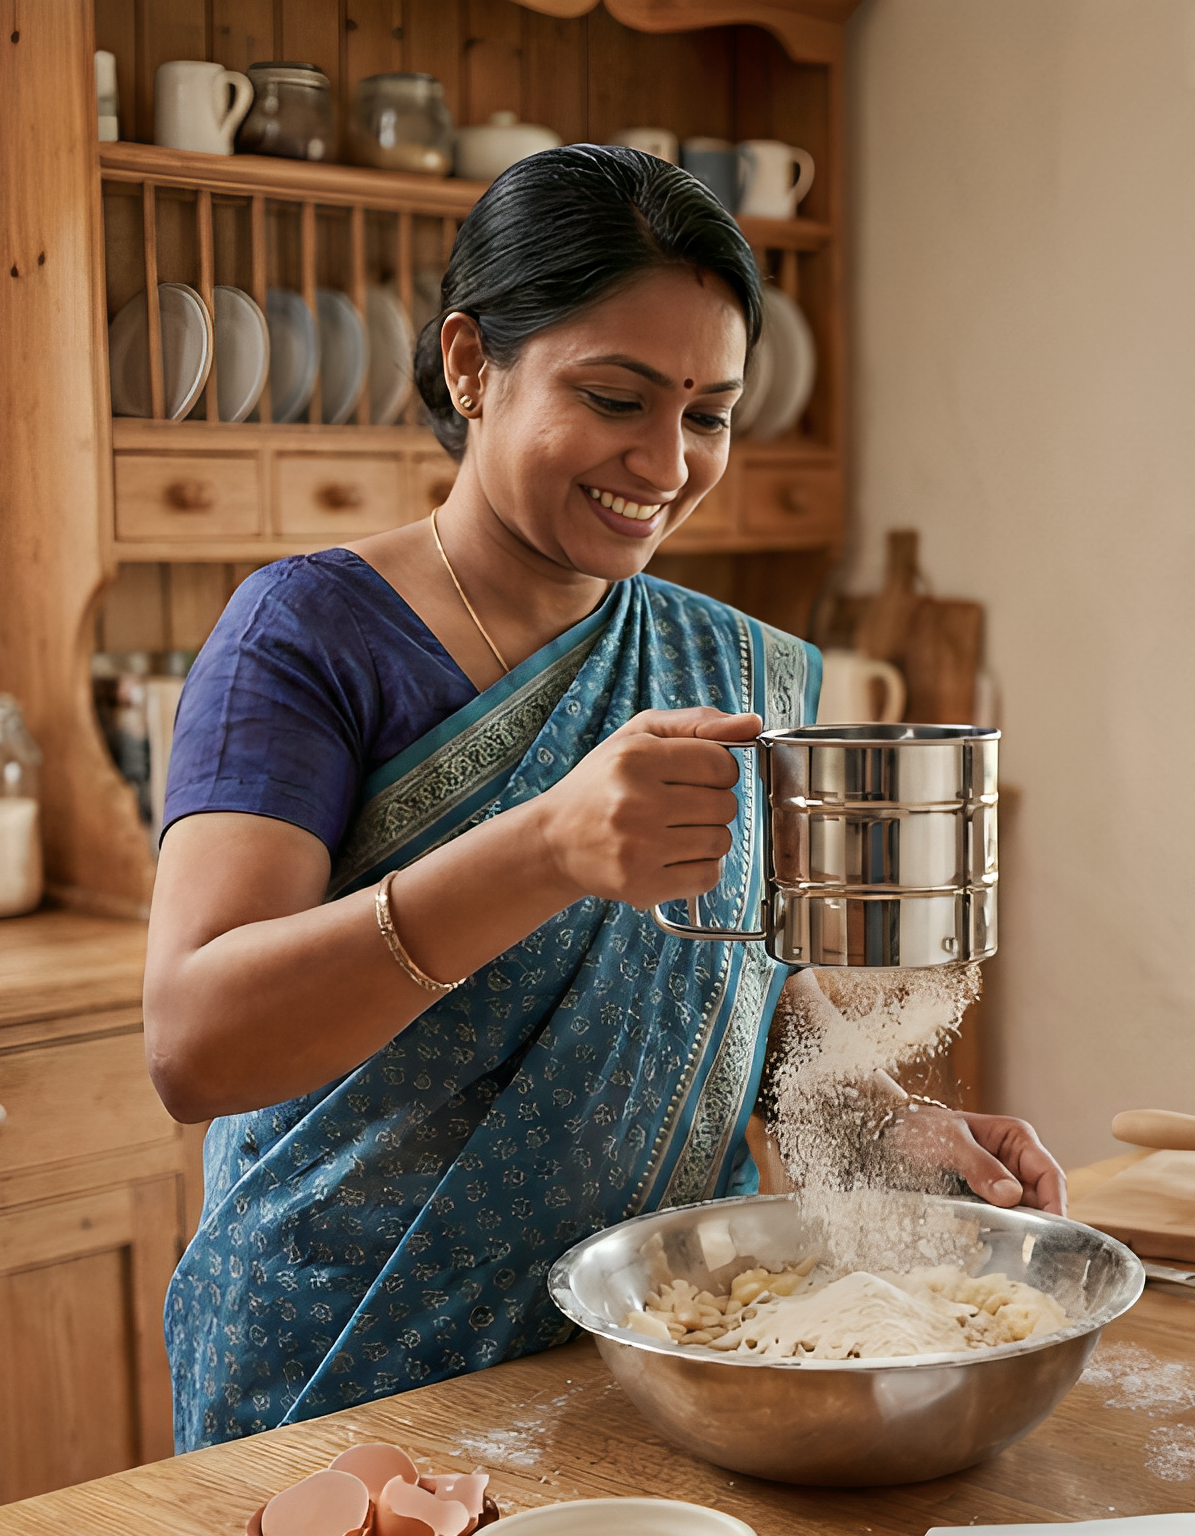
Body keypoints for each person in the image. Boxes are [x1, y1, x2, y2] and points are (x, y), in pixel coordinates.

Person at [145, 145, 1064, 1453]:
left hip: (660, 1357)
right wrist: (545, 848)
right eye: (615, 398)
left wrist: (881, 1127)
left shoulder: (728, 666)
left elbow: (725, 997)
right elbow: (195, 1045)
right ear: (471, 363)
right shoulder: (306, 636)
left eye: (709, 415)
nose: (667, 461)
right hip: (346, 1376)